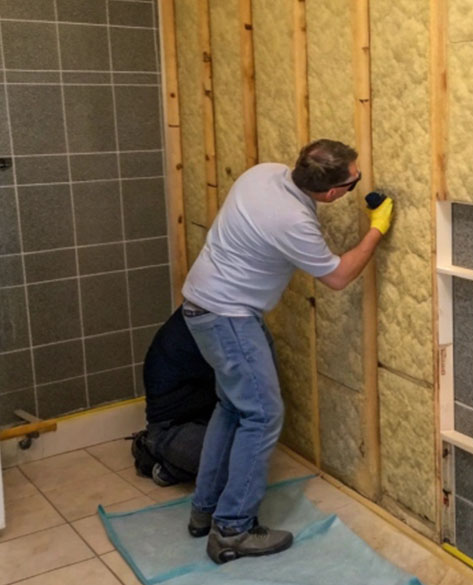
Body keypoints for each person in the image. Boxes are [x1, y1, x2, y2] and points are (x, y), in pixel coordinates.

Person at [180, 139, 393, 563]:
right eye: (354, 182)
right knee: (262, 416)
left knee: (233, 408)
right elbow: (337, 277)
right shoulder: (293, 220)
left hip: (203, 306)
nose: (356, 185)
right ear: (331, 193)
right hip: (228, 316)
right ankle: (232, 531)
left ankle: (205, 511)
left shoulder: (263, 173)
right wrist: (376, 230)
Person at [130, 306, 217, 488]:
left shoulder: (215, 313)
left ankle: (176, 466)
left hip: (207, 414)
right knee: (226, 458)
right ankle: (151, 449)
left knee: (245, 453)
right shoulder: (201, 322)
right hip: (172, 426)